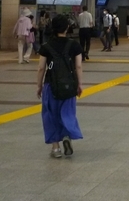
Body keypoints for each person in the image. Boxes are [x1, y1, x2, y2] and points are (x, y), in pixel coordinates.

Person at [36, 14, 83, 158]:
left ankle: (55, 149)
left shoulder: (46, 46)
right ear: (67, 27)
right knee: (68, 113)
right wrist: (79, 84)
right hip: (69, 86)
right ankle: (67, 136)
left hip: (51, 86)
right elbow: (78, 66)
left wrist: (39, 86)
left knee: (50, 115)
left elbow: (41, 68)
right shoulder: (74, 45)